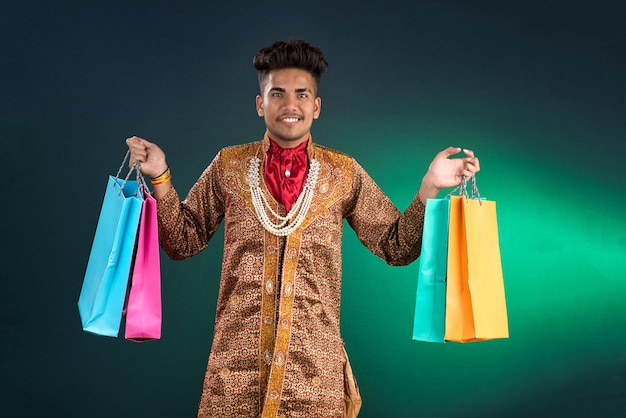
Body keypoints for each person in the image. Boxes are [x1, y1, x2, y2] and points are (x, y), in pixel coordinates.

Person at [126, 39, 480, 418]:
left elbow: (395, 246)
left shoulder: (343, 173)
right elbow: (183, 240)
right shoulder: (228, 166)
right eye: (277, 94)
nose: (290, 105)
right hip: (236, 377)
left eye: (301, 94)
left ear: (316, 106)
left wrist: (429, 187)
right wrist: (161, 176)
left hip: (313, 377)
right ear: (260, 103)